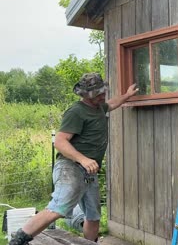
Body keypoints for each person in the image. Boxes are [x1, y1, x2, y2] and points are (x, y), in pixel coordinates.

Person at [9, 73, 138, 245]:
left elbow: (112, 104)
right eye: (97, 93)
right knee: (59, 208)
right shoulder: (76, 112)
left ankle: (91, 242)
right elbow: (60, 142)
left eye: (102, 91)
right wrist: (83, 159)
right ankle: (19, 241)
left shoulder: (99, 107)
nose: (102, 95)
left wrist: (127, 95)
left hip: (88, 172)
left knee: (93, 216)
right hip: (70, 167)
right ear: (85, 95)